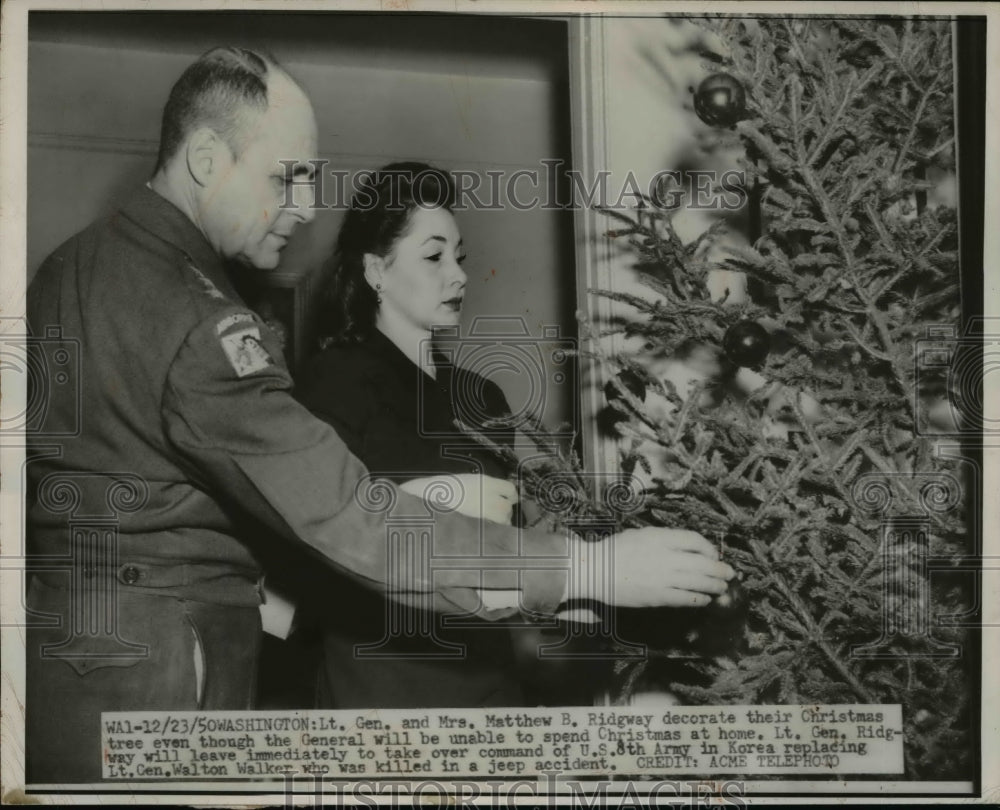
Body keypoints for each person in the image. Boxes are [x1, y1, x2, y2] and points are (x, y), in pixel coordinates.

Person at [24, 46, 735, 784]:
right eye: (286, 176)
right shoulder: (197, 319)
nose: (304, 205)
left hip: (74, 657)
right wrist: (587, 567)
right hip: (170, 671)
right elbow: (353, 520)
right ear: (206, 157)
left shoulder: (69, 269)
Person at [296, 163, 540, 708]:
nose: (458, 275)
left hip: (489, 676)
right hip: (384, 678)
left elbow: (513, 546)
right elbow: (315, 548)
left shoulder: (485, 397)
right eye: (434, 257)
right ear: (375, 271)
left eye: (460, 257)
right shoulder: (333, 381)